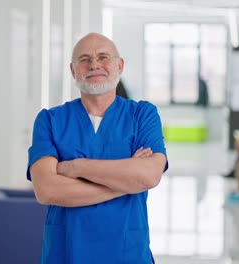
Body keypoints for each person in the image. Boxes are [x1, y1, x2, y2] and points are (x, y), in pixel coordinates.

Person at [27, 33, 168, 263]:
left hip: (126, 251)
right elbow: (47, 190)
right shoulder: (49, 120)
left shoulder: (142, 115)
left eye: (103, 57)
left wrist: (77, 167)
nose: (94, 65)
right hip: (67, 252)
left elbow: (150, 175)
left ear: (119, 65)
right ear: (73, 71)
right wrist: (126, 184)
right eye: (84, 59)